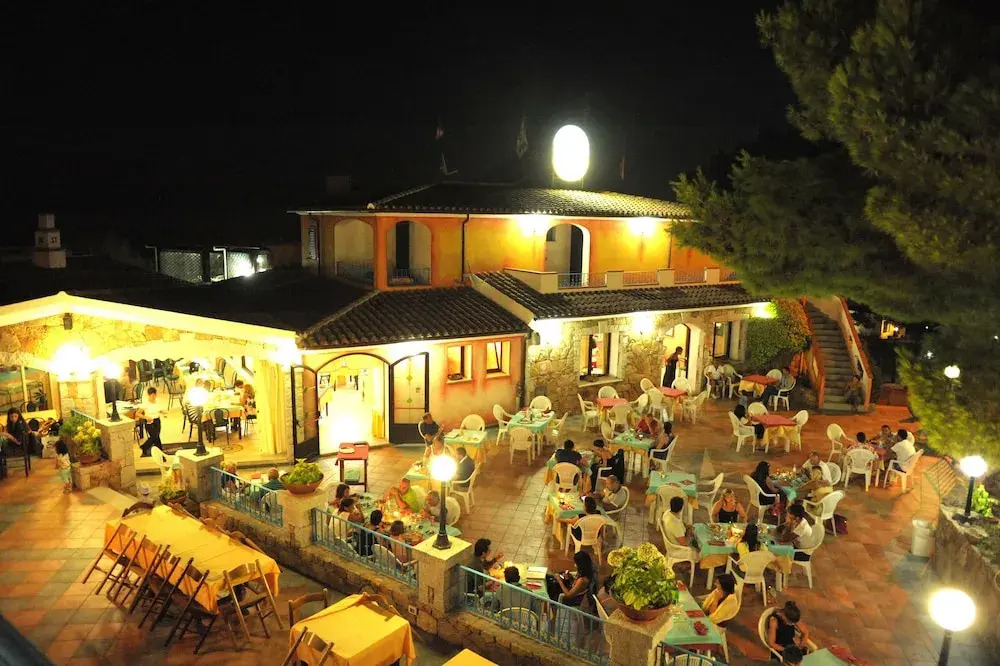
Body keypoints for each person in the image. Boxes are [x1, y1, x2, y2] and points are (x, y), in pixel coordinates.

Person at [136, 386, 164, 457]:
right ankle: (159, 452)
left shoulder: (157, 401)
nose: (153, 397)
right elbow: (137, 413)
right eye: (152, 395)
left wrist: (162, 412)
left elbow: (158, 409)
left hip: (157, 420)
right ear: (149, 395)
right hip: (150, 422)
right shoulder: (145, 404)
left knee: (156, 437)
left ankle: (148, 448)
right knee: (154, 437)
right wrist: (146, 417)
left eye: (155, 395)